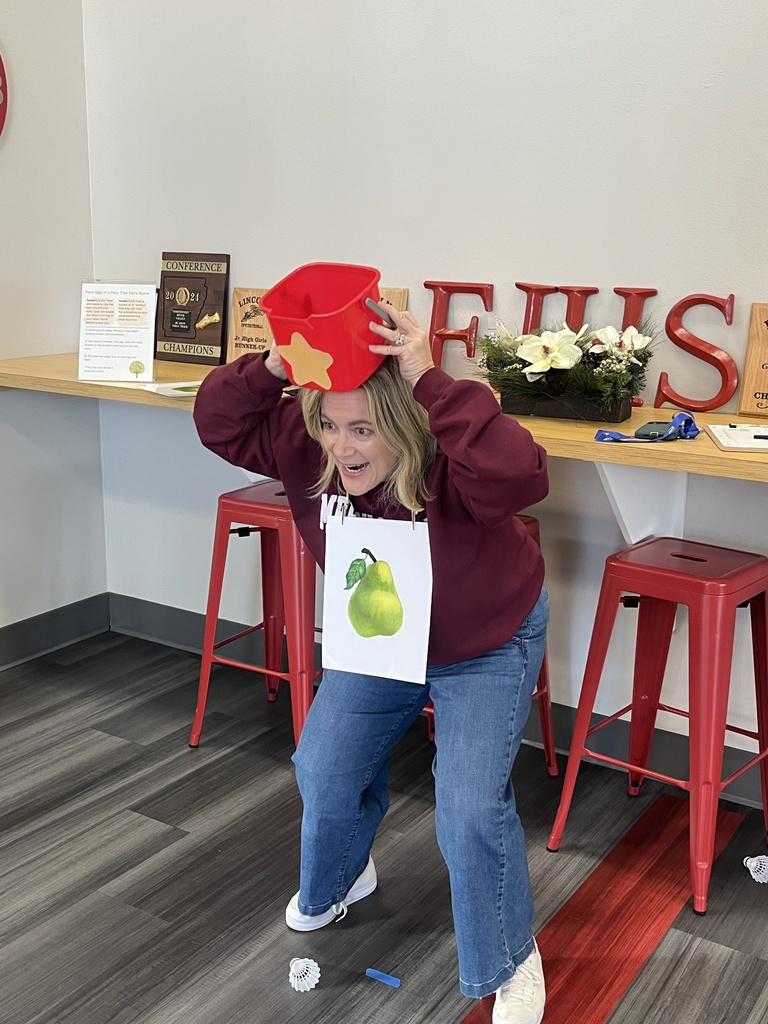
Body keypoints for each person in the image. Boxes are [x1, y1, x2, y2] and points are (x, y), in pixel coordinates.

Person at [193, 304, 550, 1024]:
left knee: (470, 809)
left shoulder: (452, 460)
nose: (342, 447)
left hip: (481, 643)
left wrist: (430, 380)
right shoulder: (308, 448)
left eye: (364, 429)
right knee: (323, 766)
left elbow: (521, 476)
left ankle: (511, 955)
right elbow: (218, 422)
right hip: (383, 644)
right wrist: (274, 365)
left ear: (408, 426)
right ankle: (345, 877)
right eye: (329, 423)